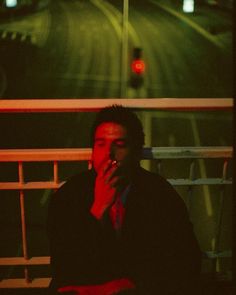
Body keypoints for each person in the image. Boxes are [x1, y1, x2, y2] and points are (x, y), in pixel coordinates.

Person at [47, 105, 201, 295]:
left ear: (136, 152)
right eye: (100, 144)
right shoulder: (69, 195)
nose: (108, 154)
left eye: (119, 145)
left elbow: (187, 258)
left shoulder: (159, 193)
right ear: (92, 150)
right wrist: (97, 210)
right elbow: (64, 265)